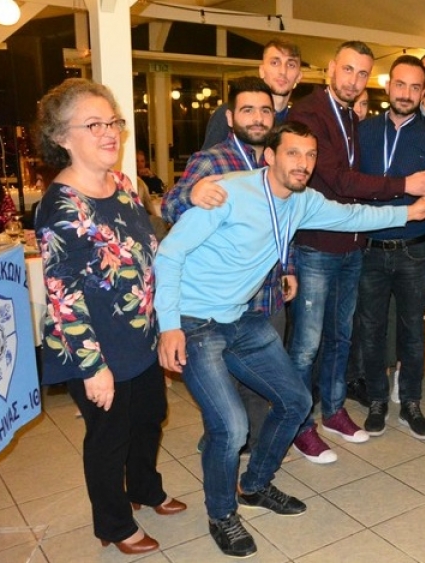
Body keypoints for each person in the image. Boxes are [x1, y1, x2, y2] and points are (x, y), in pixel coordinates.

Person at [154, 121, 425, 557]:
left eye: (310, 155)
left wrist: (410, 213)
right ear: (270, 156)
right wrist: (168, 325)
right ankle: (222, 513)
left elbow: (352, 216)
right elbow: (170, 253)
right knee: (230, 426)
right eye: (293, 153)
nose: (303, 164)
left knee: (296, 401)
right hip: (194, 321)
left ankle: (255, 485)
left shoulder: (302, 201)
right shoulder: (230, 193)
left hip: (240, 317)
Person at [33, 78, 185, 556]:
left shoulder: (122, 186)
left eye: (113, 122)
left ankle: (144, 488)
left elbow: (145, 257)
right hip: (95, 344)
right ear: (61, 136)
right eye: (93, 124)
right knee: (109, 436)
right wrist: (92, 366)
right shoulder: (59, 205)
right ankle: (114, 524)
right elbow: (62, 293)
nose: (109, 133)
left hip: (138, 334)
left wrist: (163, 325)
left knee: (150, 417)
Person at [287, 40, 425, 459]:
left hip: (355, 246)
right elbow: (340, 180)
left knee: (341, 337)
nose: (354, 80)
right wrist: (405, 186)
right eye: (348, 69)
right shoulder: (310, 114)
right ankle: (298, 423)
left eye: (361, 73)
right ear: (330, 68)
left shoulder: (352, 118)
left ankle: (334, 411)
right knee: (307, 343)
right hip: (319, 244)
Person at [161, 76, 294, 457]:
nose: (258, 118)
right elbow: (169, 207)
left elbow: (288, 218)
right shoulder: (213, 160)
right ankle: (221, 453)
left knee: (260, 386)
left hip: (267, 296)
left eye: (265, 110)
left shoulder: (278, 160)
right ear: (231, 118)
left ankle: (251, 457)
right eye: (248, 110)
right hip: (219, 304)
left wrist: (290, 266)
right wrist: (191, 193)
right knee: (225, 394)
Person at [356, 55, 425, 436]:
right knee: (371, 329)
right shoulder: (362, 133)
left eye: (415, 87)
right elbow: (352, 188)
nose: (407, 93)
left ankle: (410, 402)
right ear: (387, 85)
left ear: (423, 91)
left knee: (413, 330)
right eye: (400, 84)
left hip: (415, 249)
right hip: (370, 249)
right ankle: (377, 399)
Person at [202, 38, 302, 149]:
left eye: (291, 65)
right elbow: (208, 157)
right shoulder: (231, 113)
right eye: (275, 63)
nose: (283, 71)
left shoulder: (298, 121)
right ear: (262, 71)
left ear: (299, 76)